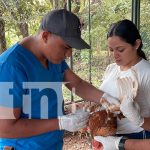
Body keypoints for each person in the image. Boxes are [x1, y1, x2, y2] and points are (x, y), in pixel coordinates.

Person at [0, 9, 119, 150]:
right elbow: (5, 128)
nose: (69, 54)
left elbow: (78, 84)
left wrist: (106, 99)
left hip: (53, 145)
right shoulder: (11, 67)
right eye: (66, 47)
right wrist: (60, 123)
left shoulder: (52, 58)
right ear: (45, 36)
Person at [93, 19, 150, 150]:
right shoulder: (111, 69)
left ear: (136, 44)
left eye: (120, 49)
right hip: (108, 135)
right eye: (111, 50)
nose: (115, 55)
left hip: (136, 139)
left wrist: (139, 120)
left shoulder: (146, 73)